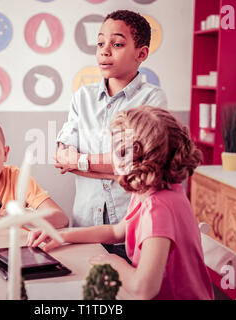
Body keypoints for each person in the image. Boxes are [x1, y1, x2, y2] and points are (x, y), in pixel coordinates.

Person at [28, 106, 214, 300]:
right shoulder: (153, 191)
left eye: (116, 151)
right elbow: (116, 232)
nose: (111, 157)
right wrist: (60, 235)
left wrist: (115, 263)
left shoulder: (158, 208)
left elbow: (144, 290)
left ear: (138, 159)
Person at [55, 10, 167, 259]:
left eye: (116, 44)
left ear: (141, 54)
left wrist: (80, 162)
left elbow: (138, 165)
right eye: (100, 43)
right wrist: (115, 169)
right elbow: (62, 157)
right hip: (85, 228)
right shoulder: (82, 98)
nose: (104, 51)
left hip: (132, 228)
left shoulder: (152, 98)